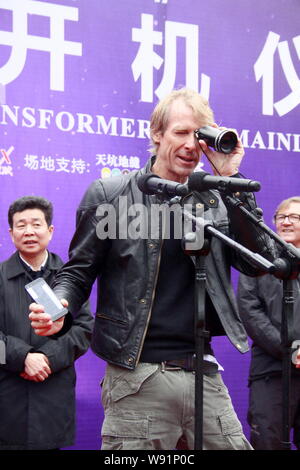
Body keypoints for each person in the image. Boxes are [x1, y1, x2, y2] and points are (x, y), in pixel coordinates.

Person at [29, 88, 275, 450]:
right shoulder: (111, 194)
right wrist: (60, 306)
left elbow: (259, 262)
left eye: (200, 134)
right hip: (137, 376)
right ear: (157, 133)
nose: (192, 144)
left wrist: (232, 183)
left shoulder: (218, 200)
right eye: (181, 132)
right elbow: (78, 272)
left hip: (205, 376)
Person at [0, 196, 94, 451]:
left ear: (50, 231)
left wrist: (46, 359)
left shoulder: (69, 279)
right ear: (11, 233)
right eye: (21, 225)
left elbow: (83, 330)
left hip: (52, 395)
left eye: (36, 224)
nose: (29, 231)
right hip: (7, 397)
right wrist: (21, 357)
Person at [237, 196, 300, 450]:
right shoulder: (258, 260)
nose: (286, 222)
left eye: (294, 217)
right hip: (271, 371)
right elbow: (250, 310)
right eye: (281, 217)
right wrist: (290, 349)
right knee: (268, 442)